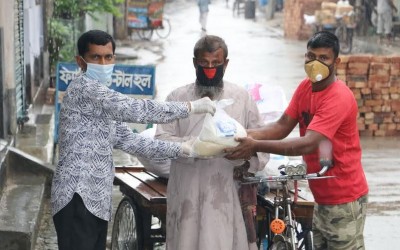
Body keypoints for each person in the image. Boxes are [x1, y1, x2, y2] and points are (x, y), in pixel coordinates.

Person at [50, 29, 216, 250]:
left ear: (114, 59)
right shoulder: (85, 89)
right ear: (81, 62)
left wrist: (184, 150)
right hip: (76, 196)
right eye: (95, 57)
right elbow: (135, 109)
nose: (103, 62)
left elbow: (130, 140)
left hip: (95, 200)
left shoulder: (102, 98)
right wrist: (190, 107)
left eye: (108, 57)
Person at [225, 31, 369, 250]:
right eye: (311, 56)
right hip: (321, 193)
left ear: (336, 62)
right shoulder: (305, 87)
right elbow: (282, 125)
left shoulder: (338, 97)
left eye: (323, 58)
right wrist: (244, 134)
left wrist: (255, 145)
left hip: (344, 198)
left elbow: (309, 143)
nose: (315, 63)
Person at [154, 35, 268, 250]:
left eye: (216, 63)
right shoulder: (177, 98)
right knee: (185, 241)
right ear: (194, 62)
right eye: (204, 63)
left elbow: (260, 141)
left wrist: (246, 158)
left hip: (227, 189)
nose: (210, 69)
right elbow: (161, 140)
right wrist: (195, 146)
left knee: (225, 241)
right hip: (187, 188)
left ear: (226, 64)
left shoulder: (241, 97)